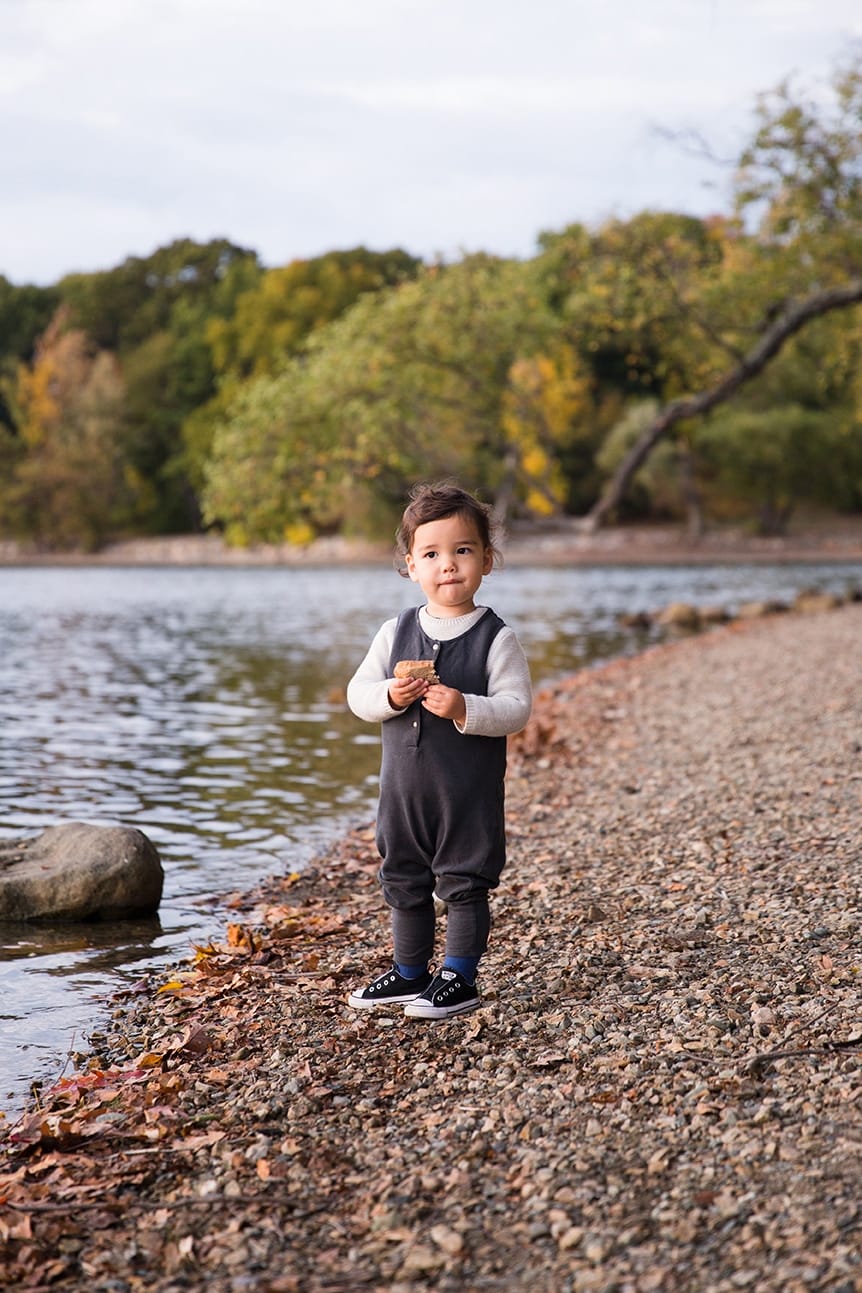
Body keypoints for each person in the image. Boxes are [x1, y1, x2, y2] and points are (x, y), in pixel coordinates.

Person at [345, 481, 532, 1019]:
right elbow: (358, 695)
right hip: (403, 793)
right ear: (411, 565)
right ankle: (409, 972)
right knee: (402, 873)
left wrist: (464, 707)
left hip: (465, 793)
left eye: (462, 551)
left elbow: (517, 708)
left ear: (488, 561)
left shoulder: (496, 637)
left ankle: (459, 977)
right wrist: (389, 694)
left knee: (464, 877)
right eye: (432, 554)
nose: (447, 565)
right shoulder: (394, 631)